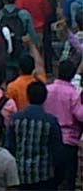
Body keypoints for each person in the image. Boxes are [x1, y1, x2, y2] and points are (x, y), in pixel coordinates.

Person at [5, 81, 64, 190]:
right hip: (44, 175)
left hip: (20, 174)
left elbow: (10, 146)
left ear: (28, 96)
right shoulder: (50, 121)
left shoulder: (16, 119)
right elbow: (57, 151)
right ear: (45, 97)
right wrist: (59, 176)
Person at [41, 59, 83, 189]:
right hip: (68, 140)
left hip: (48, 139)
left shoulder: (47, 90)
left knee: (50, 179)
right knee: (68, 180)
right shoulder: (72, 94)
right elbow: (80, 115)